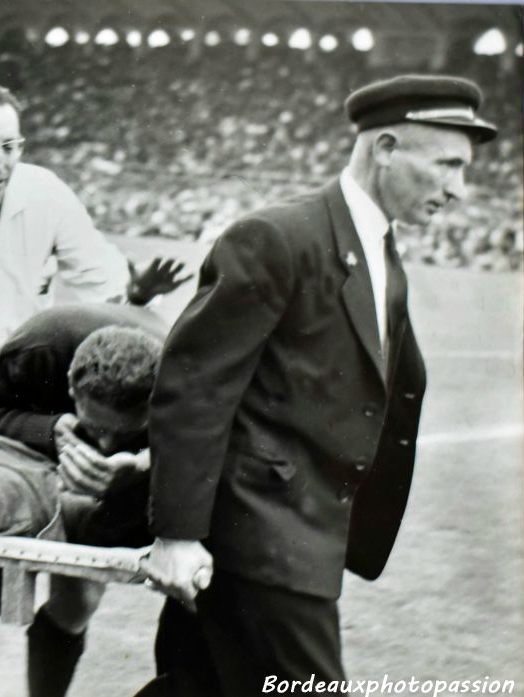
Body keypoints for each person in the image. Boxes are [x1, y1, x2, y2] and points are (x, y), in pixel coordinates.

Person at [141, 75, 497, 696]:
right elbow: (194, 386)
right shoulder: (279, 237)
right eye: (447, 165)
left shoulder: (380, 249)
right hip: (263, 542)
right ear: (385, 148)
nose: (458, 190)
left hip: (294, 542)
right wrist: (176, 535)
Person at [0, 81, 188, 429]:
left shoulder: (44, 191)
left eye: (10, 147)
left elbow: (101, 284)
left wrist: (136, 294)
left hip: (45, 383)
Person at [0, 303, 166, 697]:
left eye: (123, 432)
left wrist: (146, 462)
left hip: (151, 468)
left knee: (79, 595)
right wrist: (48, 430)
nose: (106, 444)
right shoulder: (41, 346)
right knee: (10, 520)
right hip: (35, 449)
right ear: (70, 386)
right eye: (95, 427)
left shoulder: (189, 377)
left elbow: (221, 449)